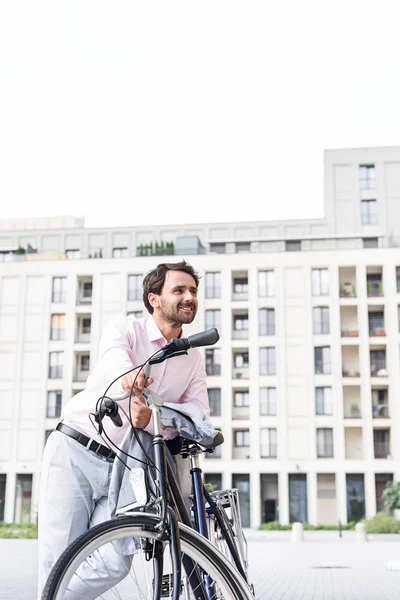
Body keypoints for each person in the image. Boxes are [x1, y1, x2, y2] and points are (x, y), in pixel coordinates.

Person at [37, 260, 209, 596]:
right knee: (58, 559)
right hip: (77, 449)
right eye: (179, 290)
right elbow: (113, 359)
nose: (189, 296)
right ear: (154, 298)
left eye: (193, 291)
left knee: (116, 559)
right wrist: (129, 375)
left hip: (126, 467)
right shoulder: (125, 330)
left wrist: (160, 417)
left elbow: (198, 415)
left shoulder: (192, 360)